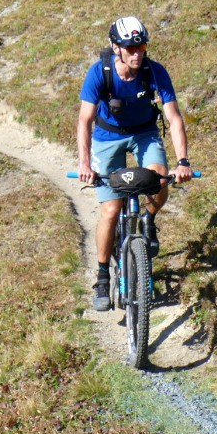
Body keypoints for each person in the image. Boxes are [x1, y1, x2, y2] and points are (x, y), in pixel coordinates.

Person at [75, 16, 191, 311]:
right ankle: (102, 276)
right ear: (116, 48)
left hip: (144, 134)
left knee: (160, 179)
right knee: (111, 210)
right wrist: (85, 164)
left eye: (142, 47)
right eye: (131, 48)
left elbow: (174, 118)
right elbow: (85, 120)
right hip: (107, 137)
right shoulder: (99, 73)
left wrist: (183, 162)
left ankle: (148, 222)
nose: (138, 53)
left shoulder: (154, 71)